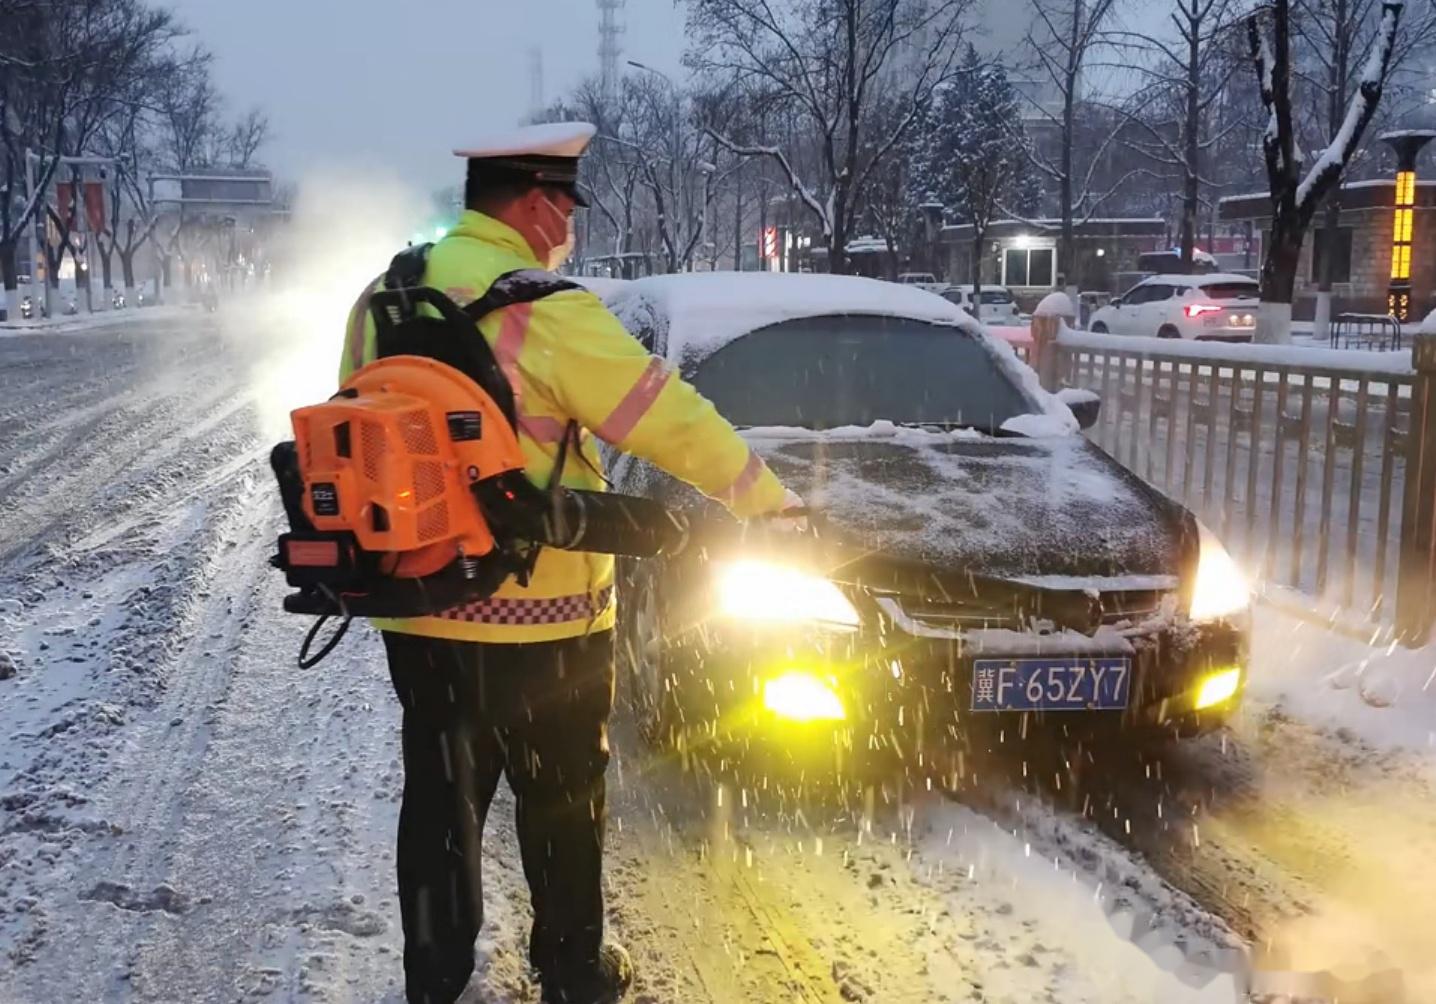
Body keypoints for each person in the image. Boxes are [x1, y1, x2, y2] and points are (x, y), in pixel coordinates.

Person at [338, 122, 801, 1004]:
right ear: (540, 202)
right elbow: (664, 416)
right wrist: (766, 500)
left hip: (418, 604)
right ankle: (571, 974)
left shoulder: (381, 299)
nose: (569, 227)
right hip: (543, 613)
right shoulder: (543, 306)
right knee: (559, 802)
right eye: (566, 207)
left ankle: (434, 979)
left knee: (441, 802)